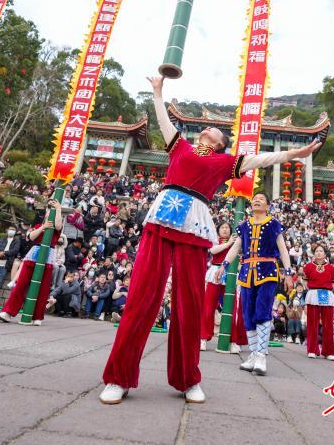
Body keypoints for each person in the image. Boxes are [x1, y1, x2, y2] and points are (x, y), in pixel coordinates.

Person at [100, 75, 319, 405]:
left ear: (220, 142)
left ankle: (188, 379)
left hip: (196, 226)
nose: (205, 133)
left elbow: (263, 159)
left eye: (211, 133)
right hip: (162, 218)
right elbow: (162, 121)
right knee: (142, 296)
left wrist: (296, 153)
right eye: (203, 131)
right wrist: (158, 92)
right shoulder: (181, 147)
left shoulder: (225, 162)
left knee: (190, 303)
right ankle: (118, 377)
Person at [215, 191, 294, 377]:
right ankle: (252, 354)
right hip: (246, 273)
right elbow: (236, 247)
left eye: (261, 199)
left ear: (268, 206)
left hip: (268, 271)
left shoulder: (274, 224)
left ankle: (261, 356)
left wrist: (288, 273)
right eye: (255, 199)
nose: (257, 200)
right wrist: (223, 266)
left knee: (262, 312)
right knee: (248, 315)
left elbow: (283, 249)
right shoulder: (244, 225)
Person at [0, 199, 63, 325]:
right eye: (49, 211)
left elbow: (58, 225)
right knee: (20, 284)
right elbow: (30, 237)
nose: (50, 213)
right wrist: (43, 227)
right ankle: (8, 312)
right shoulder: (37, 226)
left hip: (48, 257)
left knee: (43, 289)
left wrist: (59, 209)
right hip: (33, 256)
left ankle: (37, 316)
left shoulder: (56, 228)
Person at [200, 221, 246, 353]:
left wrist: (233, 242)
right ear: (218, 230)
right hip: (215, 272)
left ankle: (233, 340)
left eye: (227, 227)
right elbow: (213, 250)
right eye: (222, 227)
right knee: (208, 307)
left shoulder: (237, 241)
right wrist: (228, 243)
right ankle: (203, 337)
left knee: (232, 307)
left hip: (231, 274)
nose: (225, 230)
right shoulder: (216, 240)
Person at [303, 244, 334, 359]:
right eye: (316, 251)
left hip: (327, 294)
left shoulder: (331, 267)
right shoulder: (308, 267)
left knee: (328, 324)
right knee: (312, 323)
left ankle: (328, 352)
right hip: (313, 294)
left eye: (321, 251)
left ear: (325, 254)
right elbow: (305, 282)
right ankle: (312, 349)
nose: (318, 253)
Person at [0, 226, 20, 299]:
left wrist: (4, 253)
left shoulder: (16, 241)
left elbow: (15, 250)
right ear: (7, 230)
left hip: (4, 266)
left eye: (13, 230)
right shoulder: (1, 239)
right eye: (10, 229)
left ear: (16, 232)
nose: (11, 231)